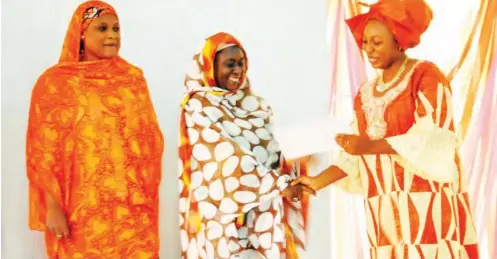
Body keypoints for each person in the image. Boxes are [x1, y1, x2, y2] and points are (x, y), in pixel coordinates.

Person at [292, 0, 480, 258]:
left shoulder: (424, 76)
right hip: (384, 211)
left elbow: (434, 140)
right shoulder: (367, 94)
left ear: (399, 39)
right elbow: (352, 159)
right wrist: (315, 182)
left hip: (427, 207)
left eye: (376, 43)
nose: (368, 49)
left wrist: (368, 146)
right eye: (365, 42)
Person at [26, 1, 164, 258]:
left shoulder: (132, 80)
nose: (112, 35)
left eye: (116, 28)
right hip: (82, 210)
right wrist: (52, 208)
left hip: (131, 207)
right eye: (102, 28)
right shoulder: (56, 84)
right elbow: (42, 151)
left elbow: (150, 141)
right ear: (81, 33)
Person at [178, 32, 313, 259]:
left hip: (264, 214)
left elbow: (275, 152)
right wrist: (278, 184)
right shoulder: (198, 106)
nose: (238, 70)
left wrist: (297, 164)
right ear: (210, 67)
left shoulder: (257, 105)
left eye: (241, 63)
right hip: (222, 217)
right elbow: (224, 156)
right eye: (229, 64)